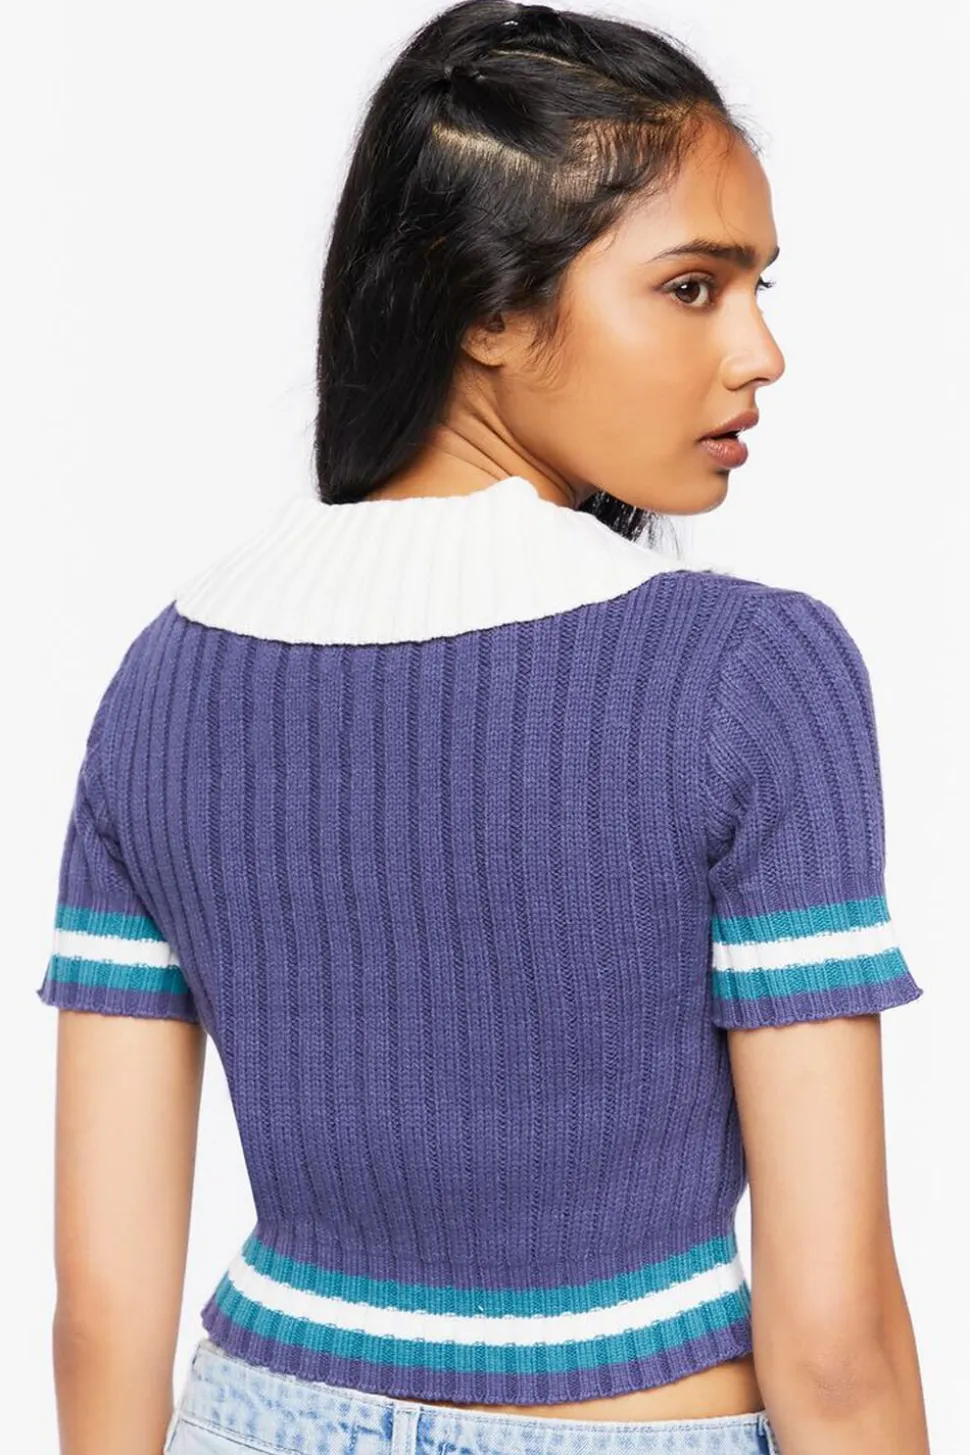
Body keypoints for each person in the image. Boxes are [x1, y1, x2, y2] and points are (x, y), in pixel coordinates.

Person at [36, 3, 930, 1453]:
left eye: (756, 288)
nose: (760, 351)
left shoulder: (164, 679)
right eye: (692, 288)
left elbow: (100, 1311)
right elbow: (832, 1338)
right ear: (486, 310)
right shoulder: (747, 671)